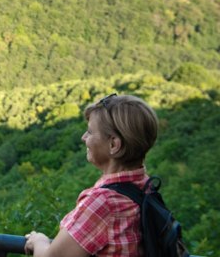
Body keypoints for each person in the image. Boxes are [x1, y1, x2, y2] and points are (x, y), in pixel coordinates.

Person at [24, 93, 159, 257]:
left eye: (89, 132)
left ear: (113, 144)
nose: (83, 138)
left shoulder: (104, 203)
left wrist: (39, 241)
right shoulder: (146, 186)